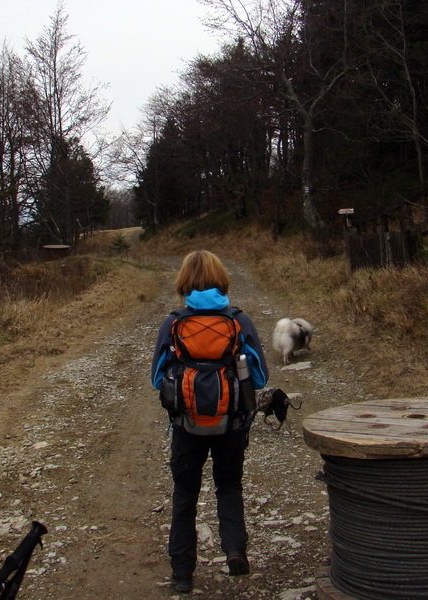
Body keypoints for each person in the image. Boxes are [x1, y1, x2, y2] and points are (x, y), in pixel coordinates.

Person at [151, 250, 269, 594]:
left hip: (186, 426)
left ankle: (182, 574)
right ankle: (234, 550)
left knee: (185, 494)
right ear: (221, 279)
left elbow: (158, 379)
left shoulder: (174, 322)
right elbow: (259, 378)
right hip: (232, 424)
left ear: (184, 283)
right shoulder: (239, 320)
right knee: (229, 486)